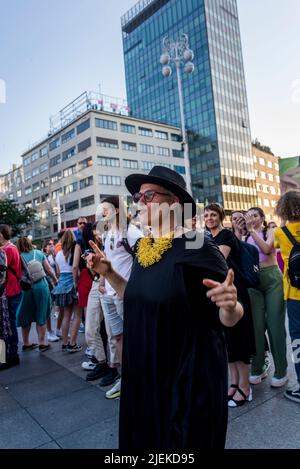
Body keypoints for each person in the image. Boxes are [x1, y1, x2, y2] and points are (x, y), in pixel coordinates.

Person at [87, 166, 243, 449]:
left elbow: (230, 316)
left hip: (184, 377)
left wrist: (230, 305)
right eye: (137, 196)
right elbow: (135, 297)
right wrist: (108, 273)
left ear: (174, 202)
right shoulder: (145, 246)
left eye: (148, 195)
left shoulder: (197, 246)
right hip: (145, 371)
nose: (139, 202)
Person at [204, 204, 255, 407]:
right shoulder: (207, 238)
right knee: (229, 342)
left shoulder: (225, 236)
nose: (209, 218)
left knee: (239, 340)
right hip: (221, 293)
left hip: (235, 292)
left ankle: (245, 387)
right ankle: (233, 384)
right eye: (206, 215)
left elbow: (217, 262)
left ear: (220, 217)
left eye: (213, 214)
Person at [97, 195, 142, 399]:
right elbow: (108, 260)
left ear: (116, 210)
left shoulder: (131, 232)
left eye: (104, 209)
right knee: (117, 338)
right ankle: (126, 378)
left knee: (134, 338)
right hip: (108, 292)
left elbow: (144, 261)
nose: (102, 213)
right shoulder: (107, 233)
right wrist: (101, 280)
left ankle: (139, 379)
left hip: (125, 294)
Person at [245, 207, 287, 387]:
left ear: (262, 218)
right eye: (249, 216)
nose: (251, 218)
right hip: (253, 282)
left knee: (275, 325)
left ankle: (281, 371)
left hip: (272, 280)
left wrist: (252, 230)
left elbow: (268, 248)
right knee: (256, 327)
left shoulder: (269, 230)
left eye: (255, 215)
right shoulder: (244, 235)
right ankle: (258, 367)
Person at [274, 191, 300, 403]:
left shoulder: (280, 233)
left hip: (294, 294)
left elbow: (265, 249)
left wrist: (253, 231)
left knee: (298, 339)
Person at [16, 237, 57, 351]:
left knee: (26, 314)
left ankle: (26, 343)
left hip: (26, 288)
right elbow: (49, 269)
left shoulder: (18, 257)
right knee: (41, 313)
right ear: (30, 243)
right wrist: (55, 279)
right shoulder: (38, 253)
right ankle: (42, 343)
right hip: (41, 286)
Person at [52, 230, 82, 352]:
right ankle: (72, 344)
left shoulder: (58, 254)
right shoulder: (74, 251)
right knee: (77, 315)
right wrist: (76, 282)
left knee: (66, 315)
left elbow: (58, 272)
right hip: (72, 281)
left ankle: (64, 343)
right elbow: (75, 268)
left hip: (61, 284)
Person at [0, 225, 22, 369]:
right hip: (11, 289)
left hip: (7, 291)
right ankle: (9, 355)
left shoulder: (6, 250)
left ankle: (11, 355)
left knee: (7, 324)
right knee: (9, 323)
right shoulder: (12, 247)